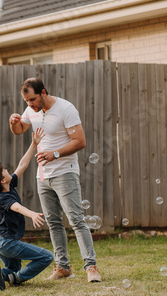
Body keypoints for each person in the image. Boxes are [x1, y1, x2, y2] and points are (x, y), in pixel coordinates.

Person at [9, 78, 102, 282]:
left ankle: (91, 266)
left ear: (43, 93)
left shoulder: (66, 109)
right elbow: (19, 131)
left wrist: (55, 154)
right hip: (43, 175)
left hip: (65, 171)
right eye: (26, 102)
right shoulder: (31, 111)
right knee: (53, 222)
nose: (30, 105)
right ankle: (63, 267)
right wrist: (13, 123)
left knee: (77, 220)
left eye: (32, 99)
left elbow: (80, 141)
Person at [0, 127, 54, 291]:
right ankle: (17, 279)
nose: (7, 170)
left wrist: (33, 145)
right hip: (7, 243)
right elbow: (17, 208)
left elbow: (23, 164)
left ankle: (5, 275)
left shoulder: (7, 186)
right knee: (47, 257)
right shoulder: (3, 198)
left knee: (14, 269)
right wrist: (33, 214)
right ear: (2, 180)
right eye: (4, 170)